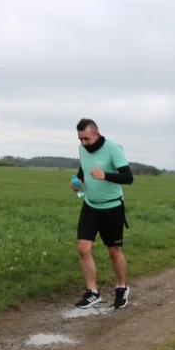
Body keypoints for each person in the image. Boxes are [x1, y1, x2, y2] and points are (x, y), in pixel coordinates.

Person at [71, 118, 134, 310]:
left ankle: (121, 287)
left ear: (96, 135)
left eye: (87, 139)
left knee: (114, 252)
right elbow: (84, 166)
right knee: (83, 249)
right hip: (90, 205)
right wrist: (78, 180)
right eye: (80, 139)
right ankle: (92, 292)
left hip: (112, 207)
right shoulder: (82, 149)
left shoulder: (113, 148)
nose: (83, 143)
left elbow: (128, 177)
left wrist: (106, 175)